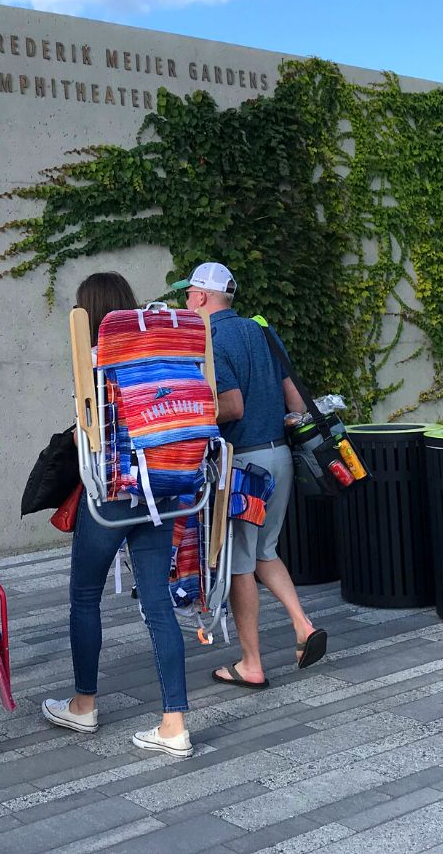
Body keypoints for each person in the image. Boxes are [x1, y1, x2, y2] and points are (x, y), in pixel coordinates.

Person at [42, 272, 193, 760]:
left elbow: (93, 433)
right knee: (157, 603)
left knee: (85, 595)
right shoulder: (162, 356)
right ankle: (174, 724)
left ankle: (84, 703)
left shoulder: (96, 359)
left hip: (114, 492)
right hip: (167, 485)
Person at [173, 262, 327, 689]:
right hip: (279, 455)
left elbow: (233, 406)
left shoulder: (212, 339)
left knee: (239, 564)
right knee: (266, 551)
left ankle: (251, 664)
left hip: (243, 467)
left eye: (188, 294)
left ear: (202, 297)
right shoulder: (260, 329)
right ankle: (303, 626)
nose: (185, 301)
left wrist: (186, 413)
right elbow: (293, 397)